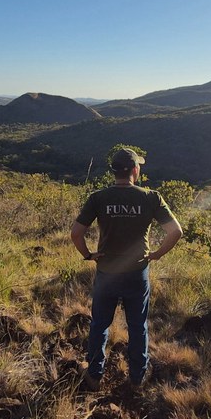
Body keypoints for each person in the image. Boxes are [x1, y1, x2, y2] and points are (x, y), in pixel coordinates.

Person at [71, 148, 183, 390]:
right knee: (137, 325)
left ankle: (94, 374)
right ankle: (136, 377)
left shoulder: (98, 198)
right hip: (137, 272)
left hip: (107, 271)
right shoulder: (151, 197)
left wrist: (88, 255)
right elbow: (176, 232)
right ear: (135, 170)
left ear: (114, 172)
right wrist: (157, 254)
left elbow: (76, 233)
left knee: (100, 324)